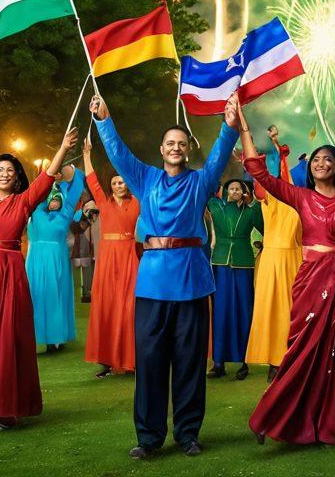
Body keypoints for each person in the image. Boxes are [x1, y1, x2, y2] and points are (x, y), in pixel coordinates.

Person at [90, 92, 239, 459]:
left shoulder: (201, 182)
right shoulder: (145, 179)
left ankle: (188, 434)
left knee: (189, 363)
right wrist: (104, 119)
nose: (176, 148)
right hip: (153, 285)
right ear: (161, 148)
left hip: (190, 282)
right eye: (170, 143)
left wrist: (230, 125)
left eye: (182, 144)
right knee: (151, 362)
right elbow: (119, 154)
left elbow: (220, 155)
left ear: (188, 151)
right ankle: (149, 437)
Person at [238, 105, 335, 446]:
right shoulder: (299, 196)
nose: (321, 164)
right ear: (309, 168)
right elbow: (261, 175)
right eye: (316, 160)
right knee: (302, 349)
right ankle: (272, 417)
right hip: (310, 278)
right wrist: (244, 129)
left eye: (328, 160)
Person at [0, 115, 77, 431]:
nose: (4, 173)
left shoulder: (23, 202)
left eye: (9, 170)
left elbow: (47, 178)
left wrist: (61, 148)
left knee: (6, 337)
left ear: (15, 176)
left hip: (9, 270)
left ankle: (6, 411)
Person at [244, 128, 302, 383]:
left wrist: (280, 150)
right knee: (270, 310)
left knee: (293, 310)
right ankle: (273, 360)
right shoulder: (267, 197)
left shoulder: (302, 201)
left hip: (296, 260)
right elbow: (258, 173)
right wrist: (252, 138)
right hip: (272, 260)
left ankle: (293, 357)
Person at [81, 136, 140, 378]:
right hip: (107, 258)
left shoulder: (137, 201)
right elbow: (91, 179)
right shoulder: (103, 201)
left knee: (130, 307)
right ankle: (106, 361)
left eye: (123, 181)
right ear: (111, 185)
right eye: (116, 182)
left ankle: (131, 360)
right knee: (105, 306)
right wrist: (86, 155)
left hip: (129, 255)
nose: (120, 185)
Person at [206, 178, 262, 380]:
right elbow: (207, 189)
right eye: (231, 188)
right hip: (220, 263)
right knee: (220, 312)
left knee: (244, 310)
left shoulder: (251, 211)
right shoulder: (216, 207)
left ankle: (244, 361)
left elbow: (266, 227)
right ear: (225, 191)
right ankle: (218, 362)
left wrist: (253, 202)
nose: (235, 191)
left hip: (244, 263)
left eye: (239, 188)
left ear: (245, 191)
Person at [26, 169, 85, 350]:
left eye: (57, 199)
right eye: (51, 198)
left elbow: (78, 184)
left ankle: (56, 337)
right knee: (35, 296)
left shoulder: (66, 214)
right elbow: (38, 192)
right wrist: (48, 175)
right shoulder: (35, 212)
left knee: (56, 295)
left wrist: (68, 174)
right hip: (35, 260)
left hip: (57, 260)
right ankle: (32, 336)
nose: (54, 202)